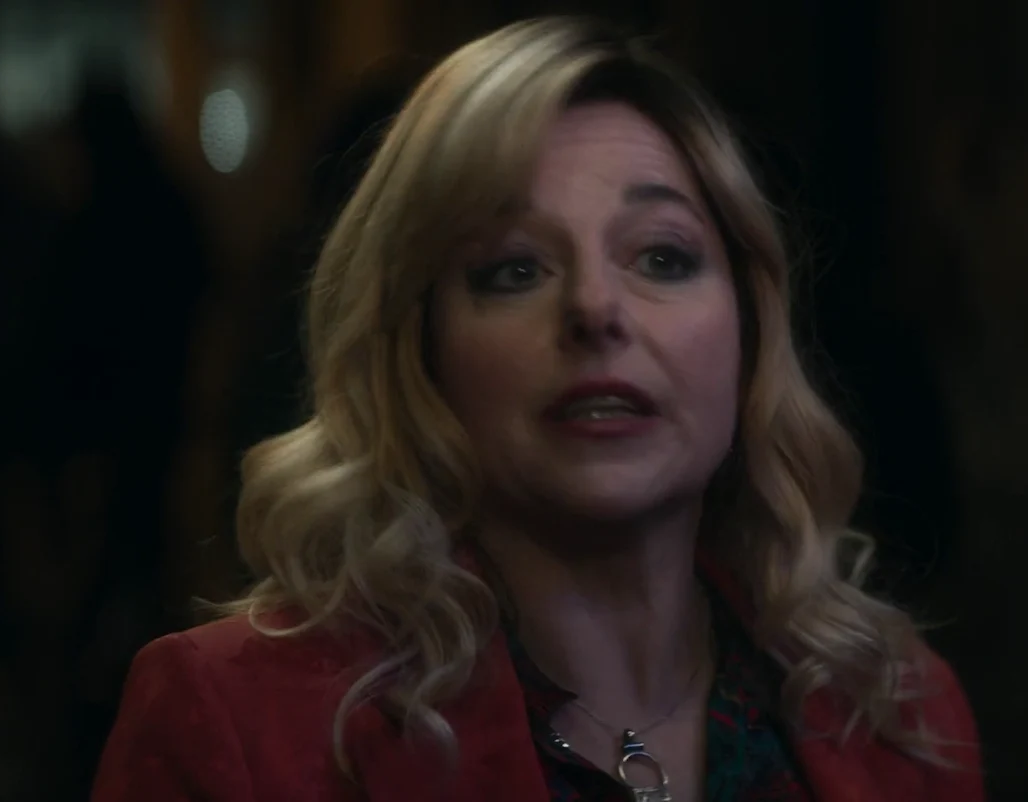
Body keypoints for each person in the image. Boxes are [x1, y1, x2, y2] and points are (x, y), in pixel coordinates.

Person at [92, 16, 982, 802]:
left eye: (662, 257)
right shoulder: (237, 721)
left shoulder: (895, 712)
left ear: (749, 329)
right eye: (514, 269)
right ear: (421, 347)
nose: (595, 307)